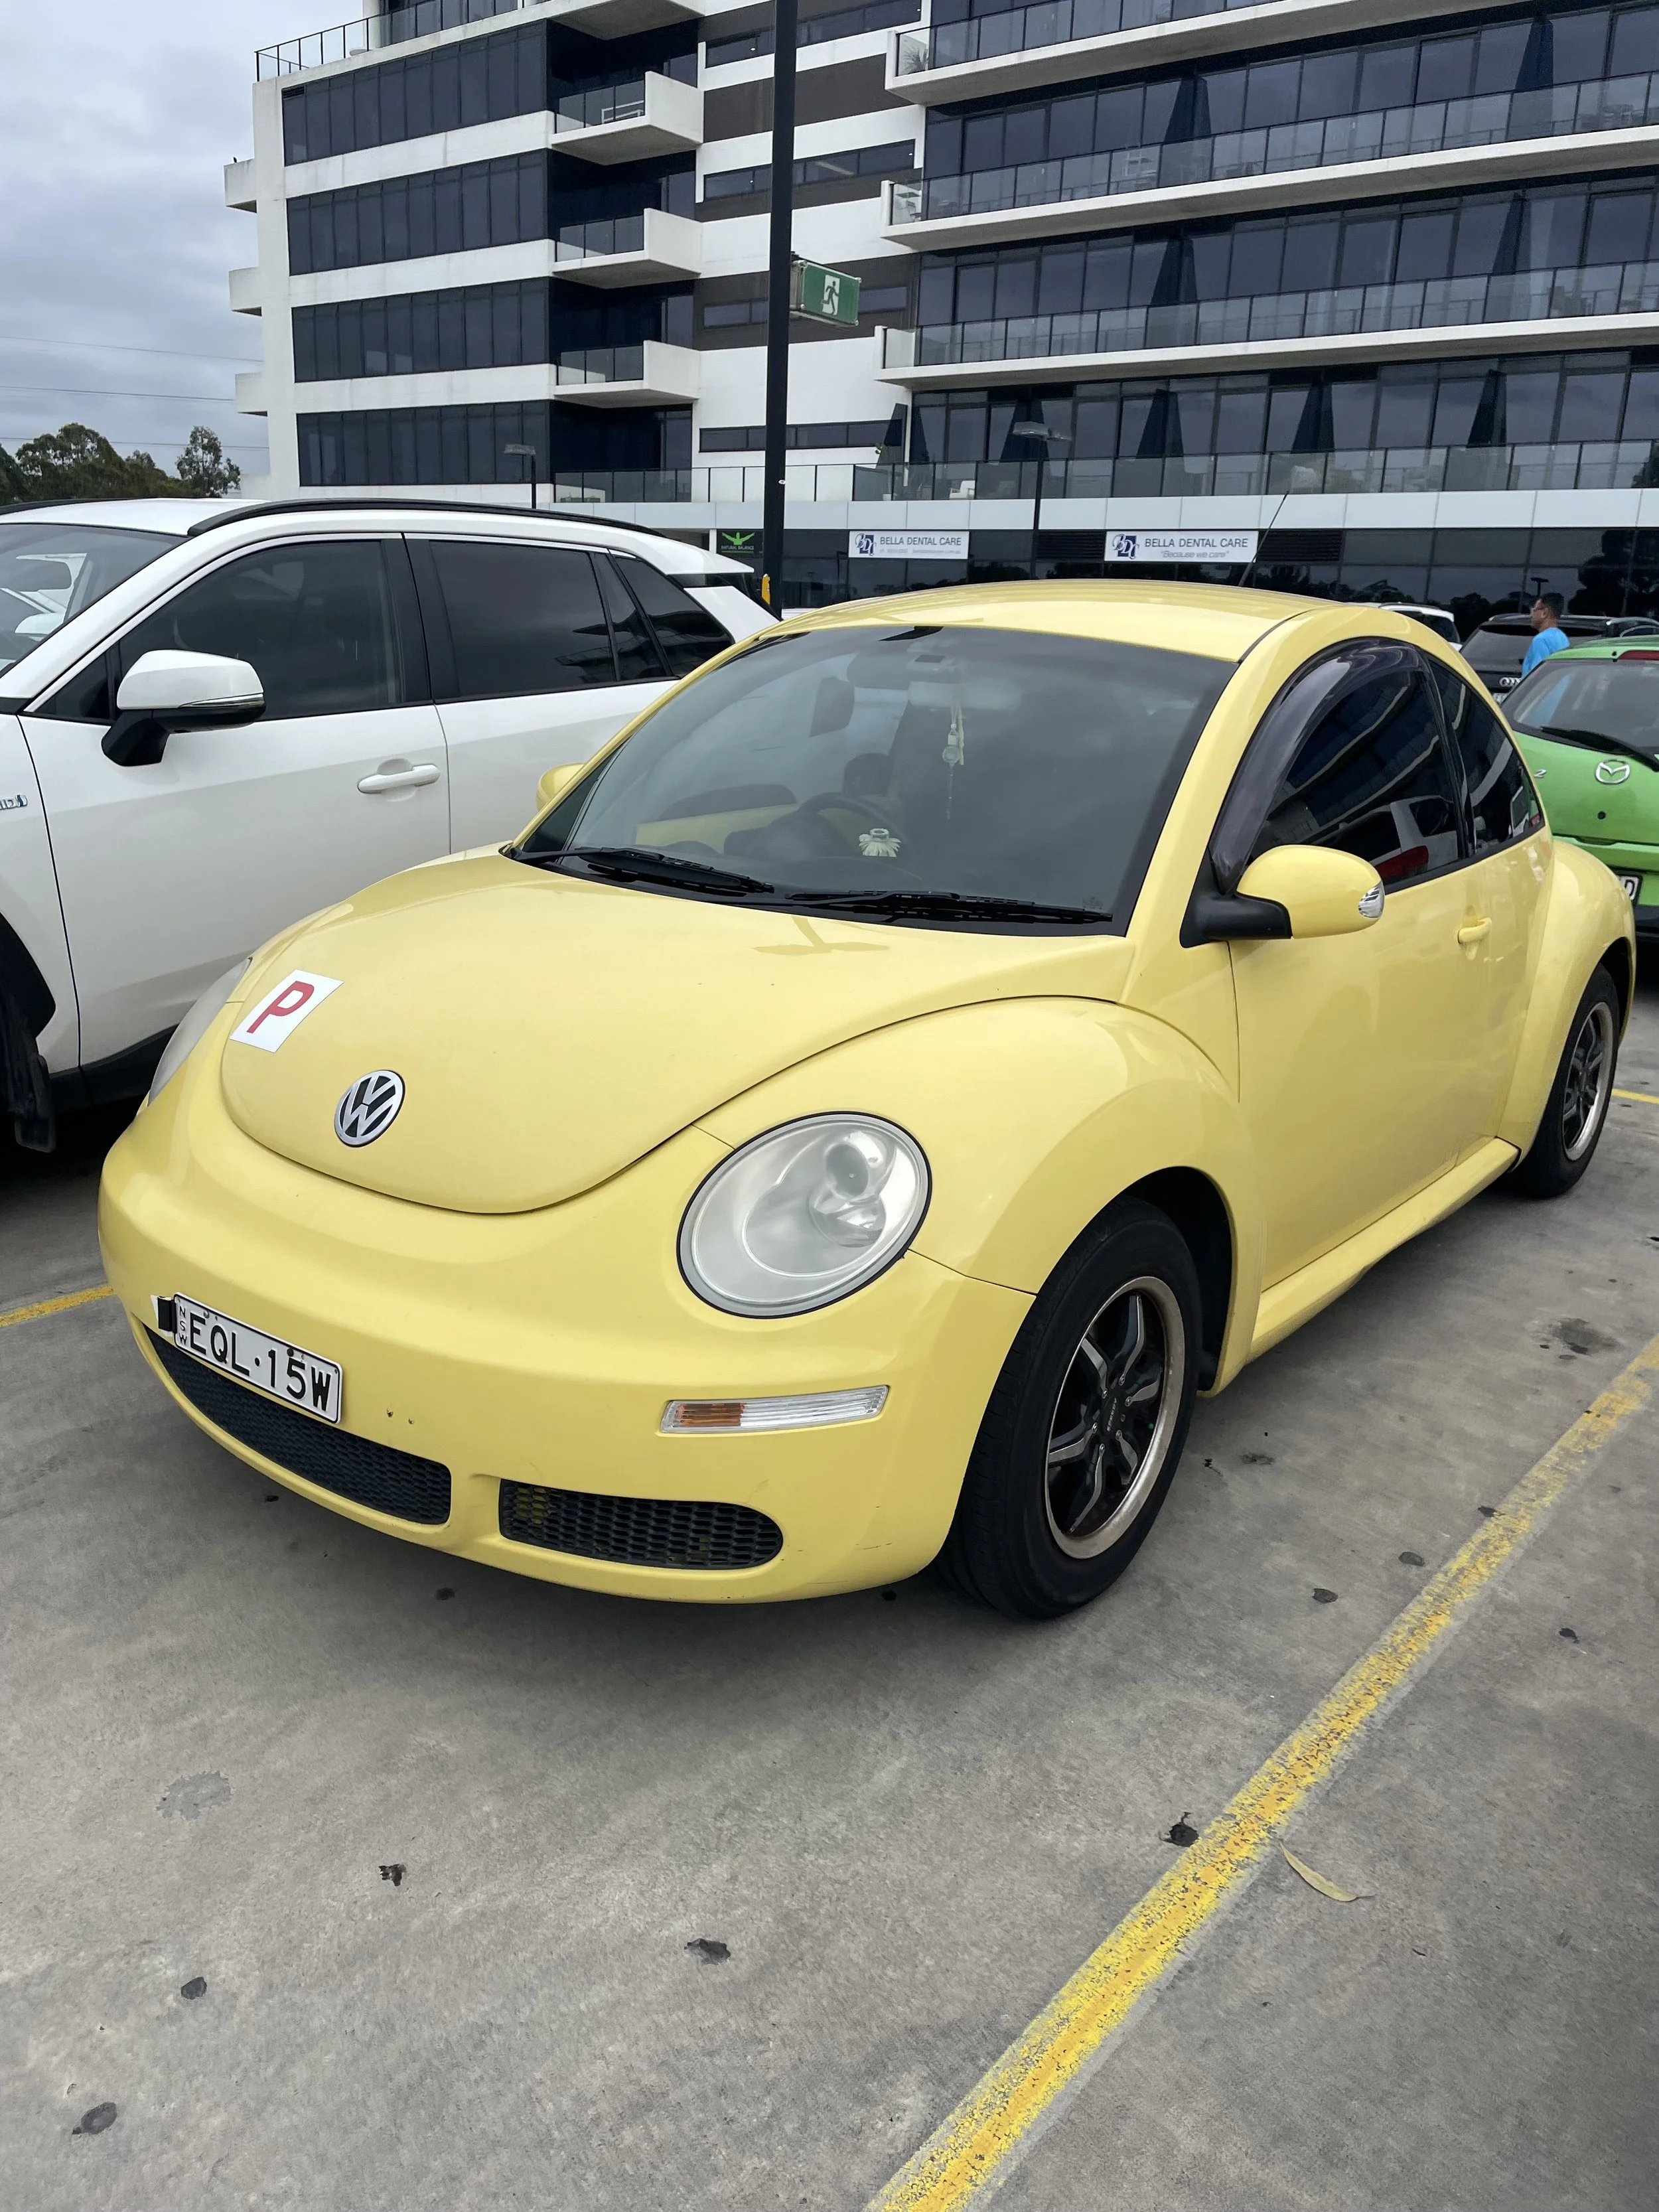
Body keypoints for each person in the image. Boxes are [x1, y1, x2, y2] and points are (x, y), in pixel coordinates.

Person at [1520, 592, 1570, 676]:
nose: (1531, 615)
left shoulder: (1541, 640)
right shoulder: (1563, 637)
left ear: (1545, 613)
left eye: (1535, 609)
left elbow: (1537, 676)